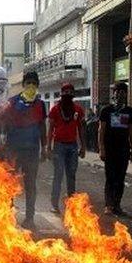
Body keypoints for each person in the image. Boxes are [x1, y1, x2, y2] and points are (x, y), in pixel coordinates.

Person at [0, 71, 48, 230]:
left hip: (32, 151)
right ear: (23, 85)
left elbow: (42, 127)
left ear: (37, 85)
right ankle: (8, 217)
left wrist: (44, 147)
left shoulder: (40, 105)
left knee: (30, 185)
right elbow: (5, 122)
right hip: (14, 150)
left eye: (34, 83)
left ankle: (30, 218)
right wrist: (3, 136)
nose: (31, 86)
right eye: (28, 83)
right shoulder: (13, 102)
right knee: (10, 184)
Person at [47, 83, 86, 214]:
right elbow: (50, 129)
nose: (68, 94)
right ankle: (54, 204)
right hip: (59, 146)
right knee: (58, 176)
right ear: (61, 94)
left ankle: (71, 205)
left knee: (71, 176)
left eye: (70, 92)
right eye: (66, 92)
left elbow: (80, 128)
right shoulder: (55, 109)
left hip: (73, 146)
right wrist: (48, 147)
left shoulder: (78, 110)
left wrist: (83, 147)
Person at [99, 82, 132, 216]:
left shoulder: (129, 111)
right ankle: (108, 205)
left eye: (123, 92)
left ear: (126, 94)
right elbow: (101, 130)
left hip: (123, 150)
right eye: (117, 92)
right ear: (113, 94)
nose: (120, 94)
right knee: (110, 177)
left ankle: (117, 204)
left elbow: (131, 130)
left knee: (120, 178)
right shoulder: (106, 110)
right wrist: (102, 148)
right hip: (109, 149)